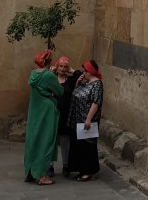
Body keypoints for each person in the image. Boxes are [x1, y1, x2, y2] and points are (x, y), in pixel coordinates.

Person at [23, 49, 63, 185]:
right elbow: (60, 91)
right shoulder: (48, 75)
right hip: (46, 111)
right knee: (45, 140)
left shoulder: (33, 73)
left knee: (33, 140)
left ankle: (30, 171)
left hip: (34, 111)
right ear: (48, 61)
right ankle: (41, 175)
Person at [67, 59, 103, 181]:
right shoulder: (86, 83)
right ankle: (82, 169)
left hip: (86, 120)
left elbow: (96, 102)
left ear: (90, 72)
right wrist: (78, 83)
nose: (84, 73)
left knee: (87, 146)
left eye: (85, 71)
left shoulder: (97, 84)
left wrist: (88, 119)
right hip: (78, 119)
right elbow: (76, 93)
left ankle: (88, 171)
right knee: (79, 146)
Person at [51, 56, 81, 177]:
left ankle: (66, 165)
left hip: (65, 115)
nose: (62, 69)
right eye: (60, 66)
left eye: (65, 67)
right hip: (53, 114)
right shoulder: (52, 78)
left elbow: (81, 75)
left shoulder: (70, 81)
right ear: (57, 66)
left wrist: (72, 70)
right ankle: (50, 166)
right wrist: (51, 72)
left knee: (65, 141)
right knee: (52, 141)